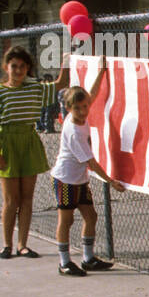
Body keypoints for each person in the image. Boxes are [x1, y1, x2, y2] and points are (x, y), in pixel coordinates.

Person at [0, 47, 69, 258]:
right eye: (14, 66)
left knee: (27, 198)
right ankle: (7, 244)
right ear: (6, 67)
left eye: (22, 66)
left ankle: (23, 244)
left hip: (29, 141)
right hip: (7, 143)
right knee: (11, 199)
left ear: (27, 68)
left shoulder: (34, 89)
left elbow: (60, 84)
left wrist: (67, 60)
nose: (18, 70)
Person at [49, 61, 127, 277]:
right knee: (66, 220)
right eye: (78, 108)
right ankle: (64, 262)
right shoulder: (73, 130)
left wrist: (101, 71)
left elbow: (90, 95)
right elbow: (91, 162)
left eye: (85, 107)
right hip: (66, 180)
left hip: (80, 180)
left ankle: (87, 258)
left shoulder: (81, 114)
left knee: (90, 216)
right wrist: (111, 181)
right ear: (68, 108)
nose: (84, 111)